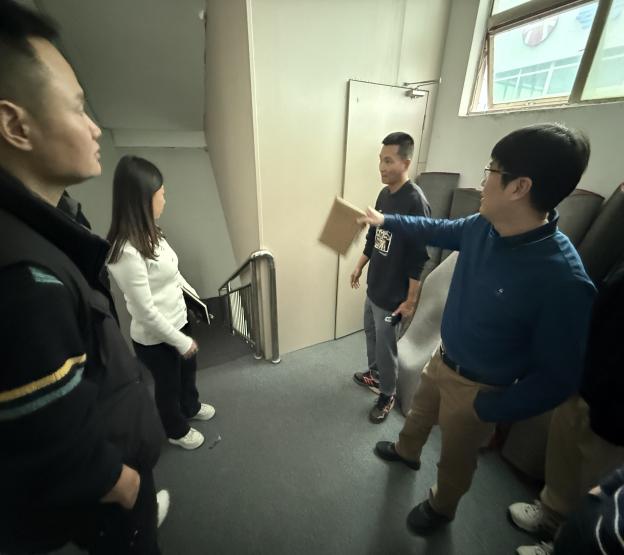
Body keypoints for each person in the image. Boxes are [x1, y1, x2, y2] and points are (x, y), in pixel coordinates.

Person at [358, 123, 596, 534]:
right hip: (443, 357)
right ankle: (406, 451)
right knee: (418, 415)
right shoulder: (483, 226)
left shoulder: (564, 279)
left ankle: (442, 506)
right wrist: (386, 219)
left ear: (519, 187)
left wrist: (491, 409)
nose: (483, 182)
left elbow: (558, 378)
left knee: (456, 457)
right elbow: (437, 229)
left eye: (491, 171)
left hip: (481, 389)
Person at [0, 2, 166, 553]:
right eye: (77, 108)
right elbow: (50, 443)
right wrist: (126, 485)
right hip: (103, 499)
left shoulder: (53, 222)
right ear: (15, 125)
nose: (95, 128)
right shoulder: (24, 280)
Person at [510, 258, 624, 555]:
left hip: (618, 402)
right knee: (566, 444)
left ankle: (562, 542)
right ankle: (551, 513)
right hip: (590, 365)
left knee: (597, 474)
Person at [107, 155, 215, 451]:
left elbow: (173, 272)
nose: (165, 200)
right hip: (155, 339)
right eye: (161, 194)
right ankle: (175, 430)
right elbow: (145, 311)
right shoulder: (125, 252)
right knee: (168, 386)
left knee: (187, 374)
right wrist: (179, 341)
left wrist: (196, 301)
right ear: (143, 200)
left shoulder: (152, 232)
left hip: (178, 320)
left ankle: (190, 406)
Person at [351, 132, 430, 423]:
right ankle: (375, 375)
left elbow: (419, 257)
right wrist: (360, 265)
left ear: (405, 163)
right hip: (375, 286)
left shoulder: (416, 202)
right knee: (371, 335)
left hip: (393, 296)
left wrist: (410, 301)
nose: (382, 167)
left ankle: (388, 394)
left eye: (388, 161)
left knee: (387, 348)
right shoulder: (384, 195)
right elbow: (374, 237)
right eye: (380, 160)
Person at [551, 465, 624, 554]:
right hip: (591, 520)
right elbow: (617, 478)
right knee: (565, 541)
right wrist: (600, 490)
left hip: (607, 544)